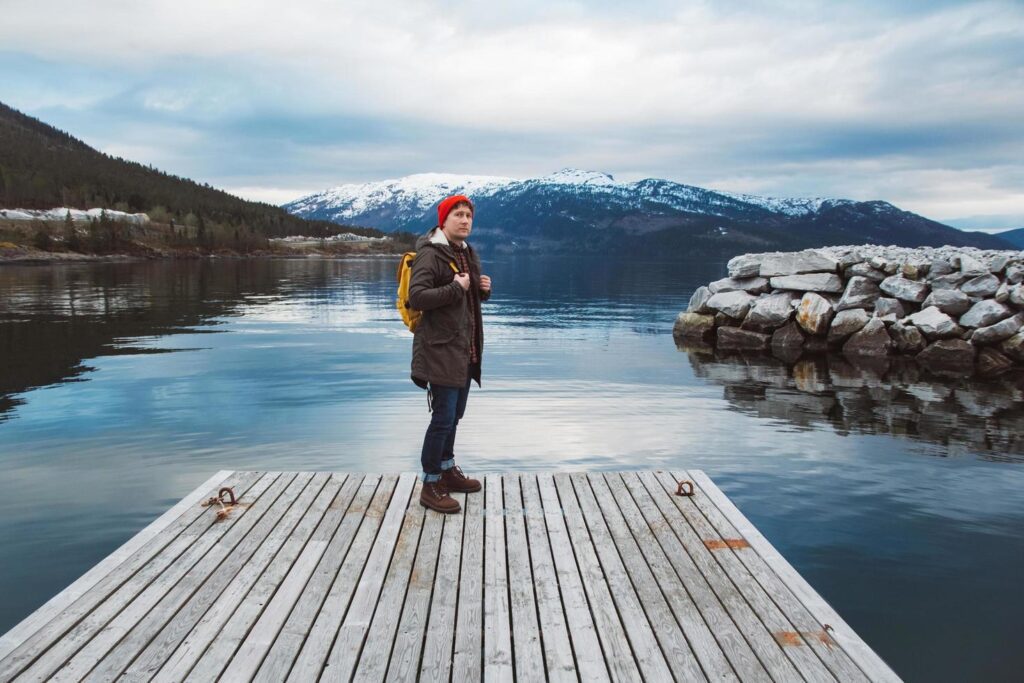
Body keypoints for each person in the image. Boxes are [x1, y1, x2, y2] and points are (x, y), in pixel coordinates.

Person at [408, 194, 492, 513]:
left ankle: (447, 469)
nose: (465, 220)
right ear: (444, 220)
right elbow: (418, 297)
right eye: (458, 214)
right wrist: (456, 288)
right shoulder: (431, 254)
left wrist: (482, 291)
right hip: (440, 351)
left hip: (465, 352)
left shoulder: (467, 253)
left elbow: (465, 302)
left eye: (468, 215)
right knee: (442, 419)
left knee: (454, 417)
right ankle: (430, 484)